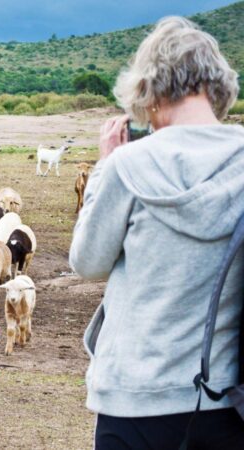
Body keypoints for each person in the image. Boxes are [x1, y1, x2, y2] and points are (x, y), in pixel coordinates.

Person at [70, 16, 244, 449]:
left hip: (134, 402)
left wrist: (106, 166)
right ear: (218, 84)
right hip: (223, 401)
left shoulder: (130, 166)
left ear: (150, 88)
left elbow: (87, 262)